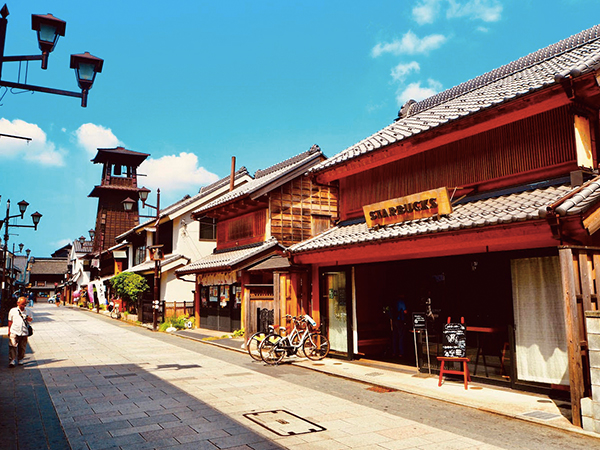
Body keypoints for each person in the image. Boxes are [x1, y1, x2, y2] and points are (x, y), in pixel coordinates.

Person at [7, 296, 33, 368]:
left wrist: (28, 318)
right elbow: (10, 321)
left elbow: (31, 320)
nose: (23, 306)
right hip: (14, 330)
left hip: (24, 331)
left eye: (25, 304)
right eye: (22, 304)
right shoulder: (13, 311)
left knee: (22, 347)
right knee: (12, 346)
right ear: (18, 303)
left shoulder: (28, 311)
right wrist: (9, 330)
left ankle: (20, 359)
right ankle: (12, 360)